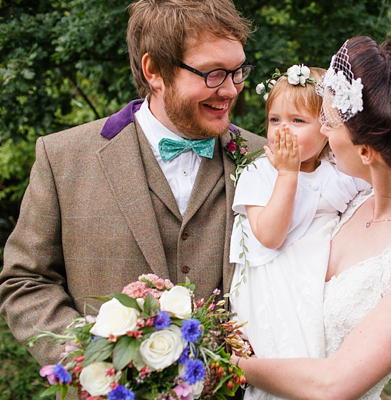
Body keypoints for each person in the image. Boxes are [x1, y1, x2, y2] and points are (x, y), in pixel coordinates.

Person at [0, 0, 265, 368]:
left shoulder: (265, 158)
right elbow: (26, 282)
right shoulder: (62, 158)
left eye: (238, 71)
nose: (232, 89)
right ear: (154, 70)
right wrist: (91, 361)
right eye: (212, 73)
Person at [232, 35, 391, 400]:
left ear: (366, 150)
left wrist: (226, 361)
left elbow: (332, 385)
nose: (320, 131)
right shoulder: (349, 198)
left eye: (330, 123)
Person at [228, 65, 369, 400]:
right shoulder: (258, 173)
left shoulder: (339, 175)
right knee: (276, 365)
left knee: (313, 360)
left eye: (297, 121)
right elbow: (270, 236)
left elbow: (385, 194)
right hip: (271, 287)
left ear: (326, 128)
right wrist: (287, 175)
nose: (282, 130)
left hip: (313, 285)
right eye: (275, 119)